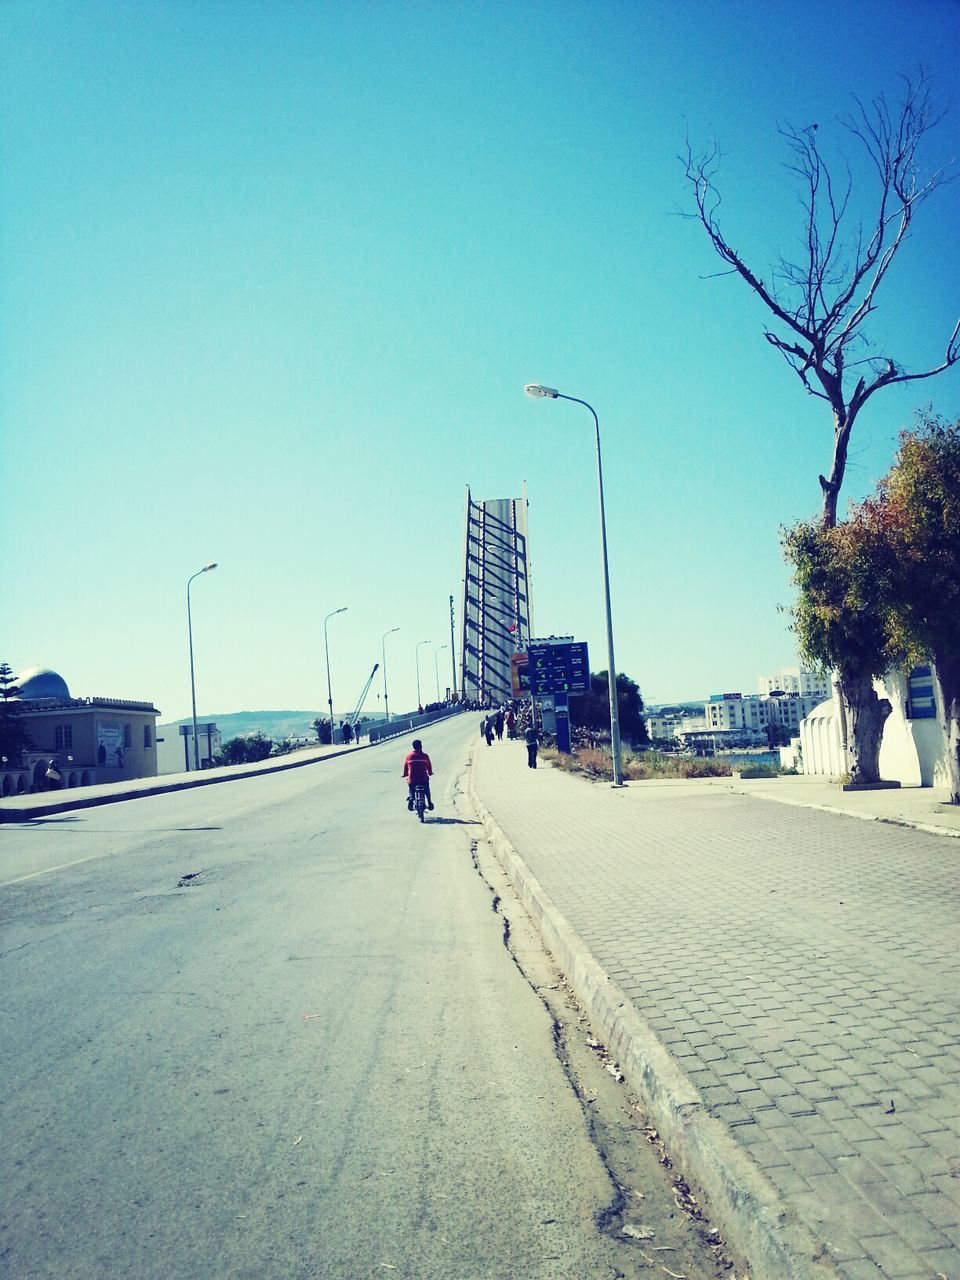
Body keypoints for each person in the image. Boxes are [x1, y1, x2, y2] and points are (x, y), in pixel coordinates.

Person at [402, 738, 434, 810]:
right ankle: (429, 802)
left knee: (411, 788)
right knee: (426, 789)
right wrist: (430, 773)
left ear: (413, 747)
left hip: (413, 779)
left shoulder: (409, 756)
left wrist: (405, 774)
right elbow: (429, 766)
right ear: (421, 746)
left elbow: (405, 767)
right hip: (423, 778)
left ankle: (411, 798)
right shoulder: (425, 756)